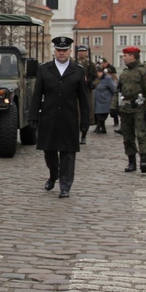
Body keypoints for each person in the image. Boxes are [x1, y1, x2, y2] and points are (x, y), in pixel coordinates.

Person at [28, 36, 90, 196]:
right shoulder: (44, 69)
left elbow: (84, 98)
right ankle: (53, 174)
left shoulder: (78, 70)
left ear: (70, 51)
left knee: (68, 153)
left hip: (69, 118)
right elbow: (37, 95)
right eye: (58, 50)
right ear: (54, 51)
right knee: (49, 152)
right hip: (49, 117)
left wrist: (85, 120)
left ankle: (65, 186)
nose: (61, 53)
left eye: (64, 50)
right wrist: (33, 116)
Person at [110, 46, 146, 173]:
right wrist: (113, 107)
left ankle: (144, 160)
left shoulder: (144, 72)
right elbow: (117, 91)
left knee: (141, 134)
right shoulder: (124, 73)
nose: (123, 58)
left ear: (132, 56)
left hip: (139, 107)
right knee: (128, 136)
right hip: (126, 108)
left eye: (125, 56)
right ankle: (131, 162)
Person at [74, 44, 95, 143]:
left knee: (86, 113)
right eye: (80, 51)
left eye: (83, 51)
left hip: (86, 92)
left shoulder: (91, 65)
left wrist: (93, 84)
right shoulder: (73, 64)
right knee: (75, 114)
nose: (81, 53)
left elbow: (96, 77)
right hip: (75, 92)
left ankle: (84, 134)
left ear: (86, 53)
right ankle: (75, 134)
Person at [93, 66, 115, 134]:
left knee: (101, 115)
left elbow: (113, 88)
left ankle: (98, 127)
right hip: (97, 100)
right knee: (98, 115)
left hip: (105, 101)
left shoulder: (107, 79)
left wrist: (113, 98)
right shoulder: (96, 80)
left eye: (99, 72)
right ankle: (103, 128)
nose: (98, 74)